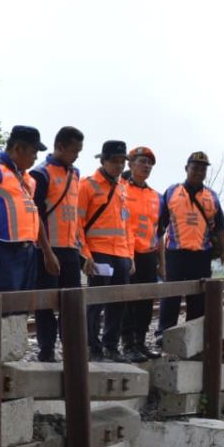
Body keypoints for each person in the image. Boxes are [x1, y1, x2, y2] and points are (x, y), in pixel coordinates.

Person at [0, 125, 56, 292]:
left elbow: (34, 215)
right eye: (33, 152)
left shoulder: (27, 179)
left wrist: (47, 251)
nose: (35, 157)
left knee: (23, 304)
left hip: (26, 250)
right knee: (2, 302)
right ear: (18, 148)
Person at [29, 126, 87, 362]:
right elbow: (36, 215)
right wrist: (46, 251)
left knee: (71, 303)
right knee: (45, 303)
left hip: (70, 250)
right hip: (47, 249)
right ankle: (46, 350)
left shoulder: (76, 173)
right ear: (60, 147)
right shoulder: (40, 174)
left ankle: (70, 348)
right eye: (74, 151)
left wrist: (80, 249)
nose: (77, 155)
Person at [156, 151, 224, 332]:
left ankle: (193, 333)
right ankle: (164, 333)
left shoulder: (211, 196)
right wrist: (158, 258)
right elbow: (160, 226)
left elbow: (219, 226)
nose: (199, 172)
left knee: (198, 296)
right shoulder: (172, 192)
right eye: (195, 168)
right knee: (171, 295)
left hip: (202, 254)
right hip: (175, 253)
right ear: (186, 168)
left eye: (203, 169)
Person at [77, 140, 134, 361]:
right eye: (114, 161)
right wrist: (86, 255)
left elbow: (126, 225)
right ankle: (94, 347)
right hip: (98, 253)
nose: (119, 166)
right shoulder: (87, 186)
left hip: (120, 255)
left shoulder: (122, 188)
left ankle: (111, 345)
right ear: (103, 161)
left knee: (119, 302)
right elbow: (77, 224)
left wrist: (130, 255)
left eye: (122, 162)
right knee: (96, 302)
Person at [120, 146, 163, 362]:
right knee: (127, 301)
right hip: (126, 252)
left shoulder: (156, 196)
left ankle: (140, 342)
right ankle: (127, 344)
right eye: (142, 161)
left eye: (150, 163)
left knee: (146, 301)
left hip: (147, 254)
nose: (146, 166)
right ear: (130, 163)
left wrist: (161, 262)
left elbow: (160, 232)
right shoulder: (120, 188)